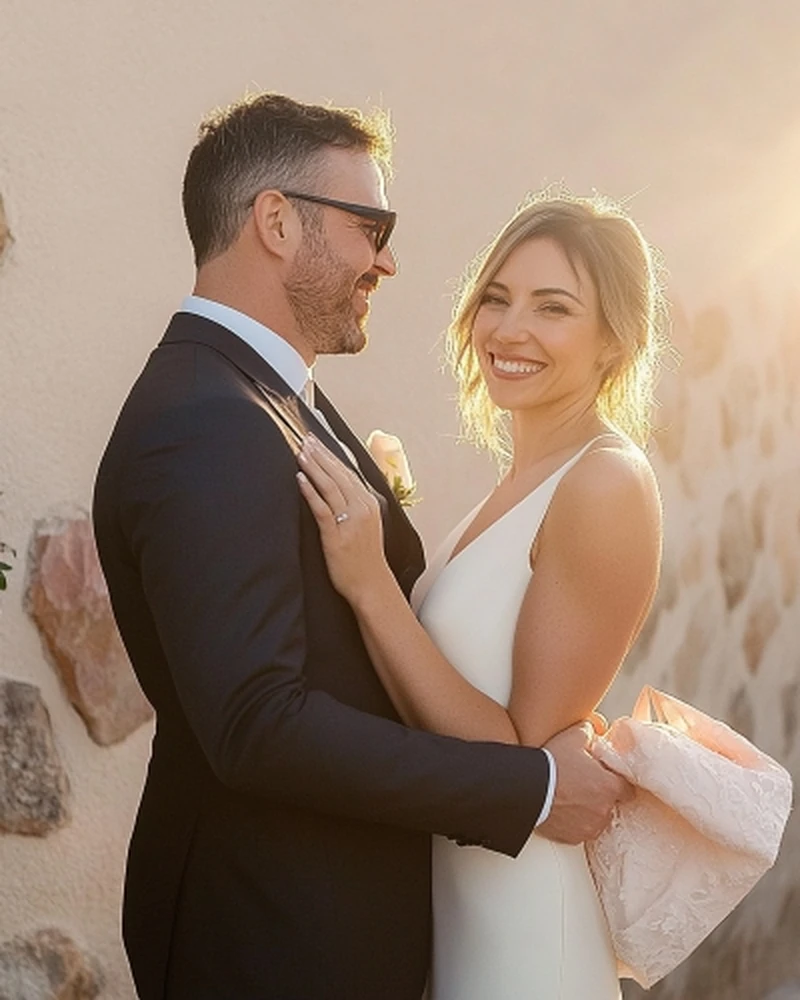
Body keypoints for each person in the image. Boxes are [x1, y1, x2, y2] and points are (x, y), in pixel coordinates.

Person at [92, 94, 628, 1000]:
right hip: (271, 938)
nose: (387, 259)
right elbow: (259, 725)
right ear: (274, 220)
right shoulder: (207, 421)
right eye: (370, 225)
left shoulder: (262, 393)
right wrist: (529, 790)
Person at [295, 190, 666, 999]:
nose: (509, 328)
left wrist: (368, 586)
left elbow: (515, 763)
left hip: (526, 922)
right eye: (496, 297)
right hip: (460, 899)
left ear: (614, 340)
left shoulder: (605, 481)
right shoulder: (515, 486)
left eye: (553, 307)